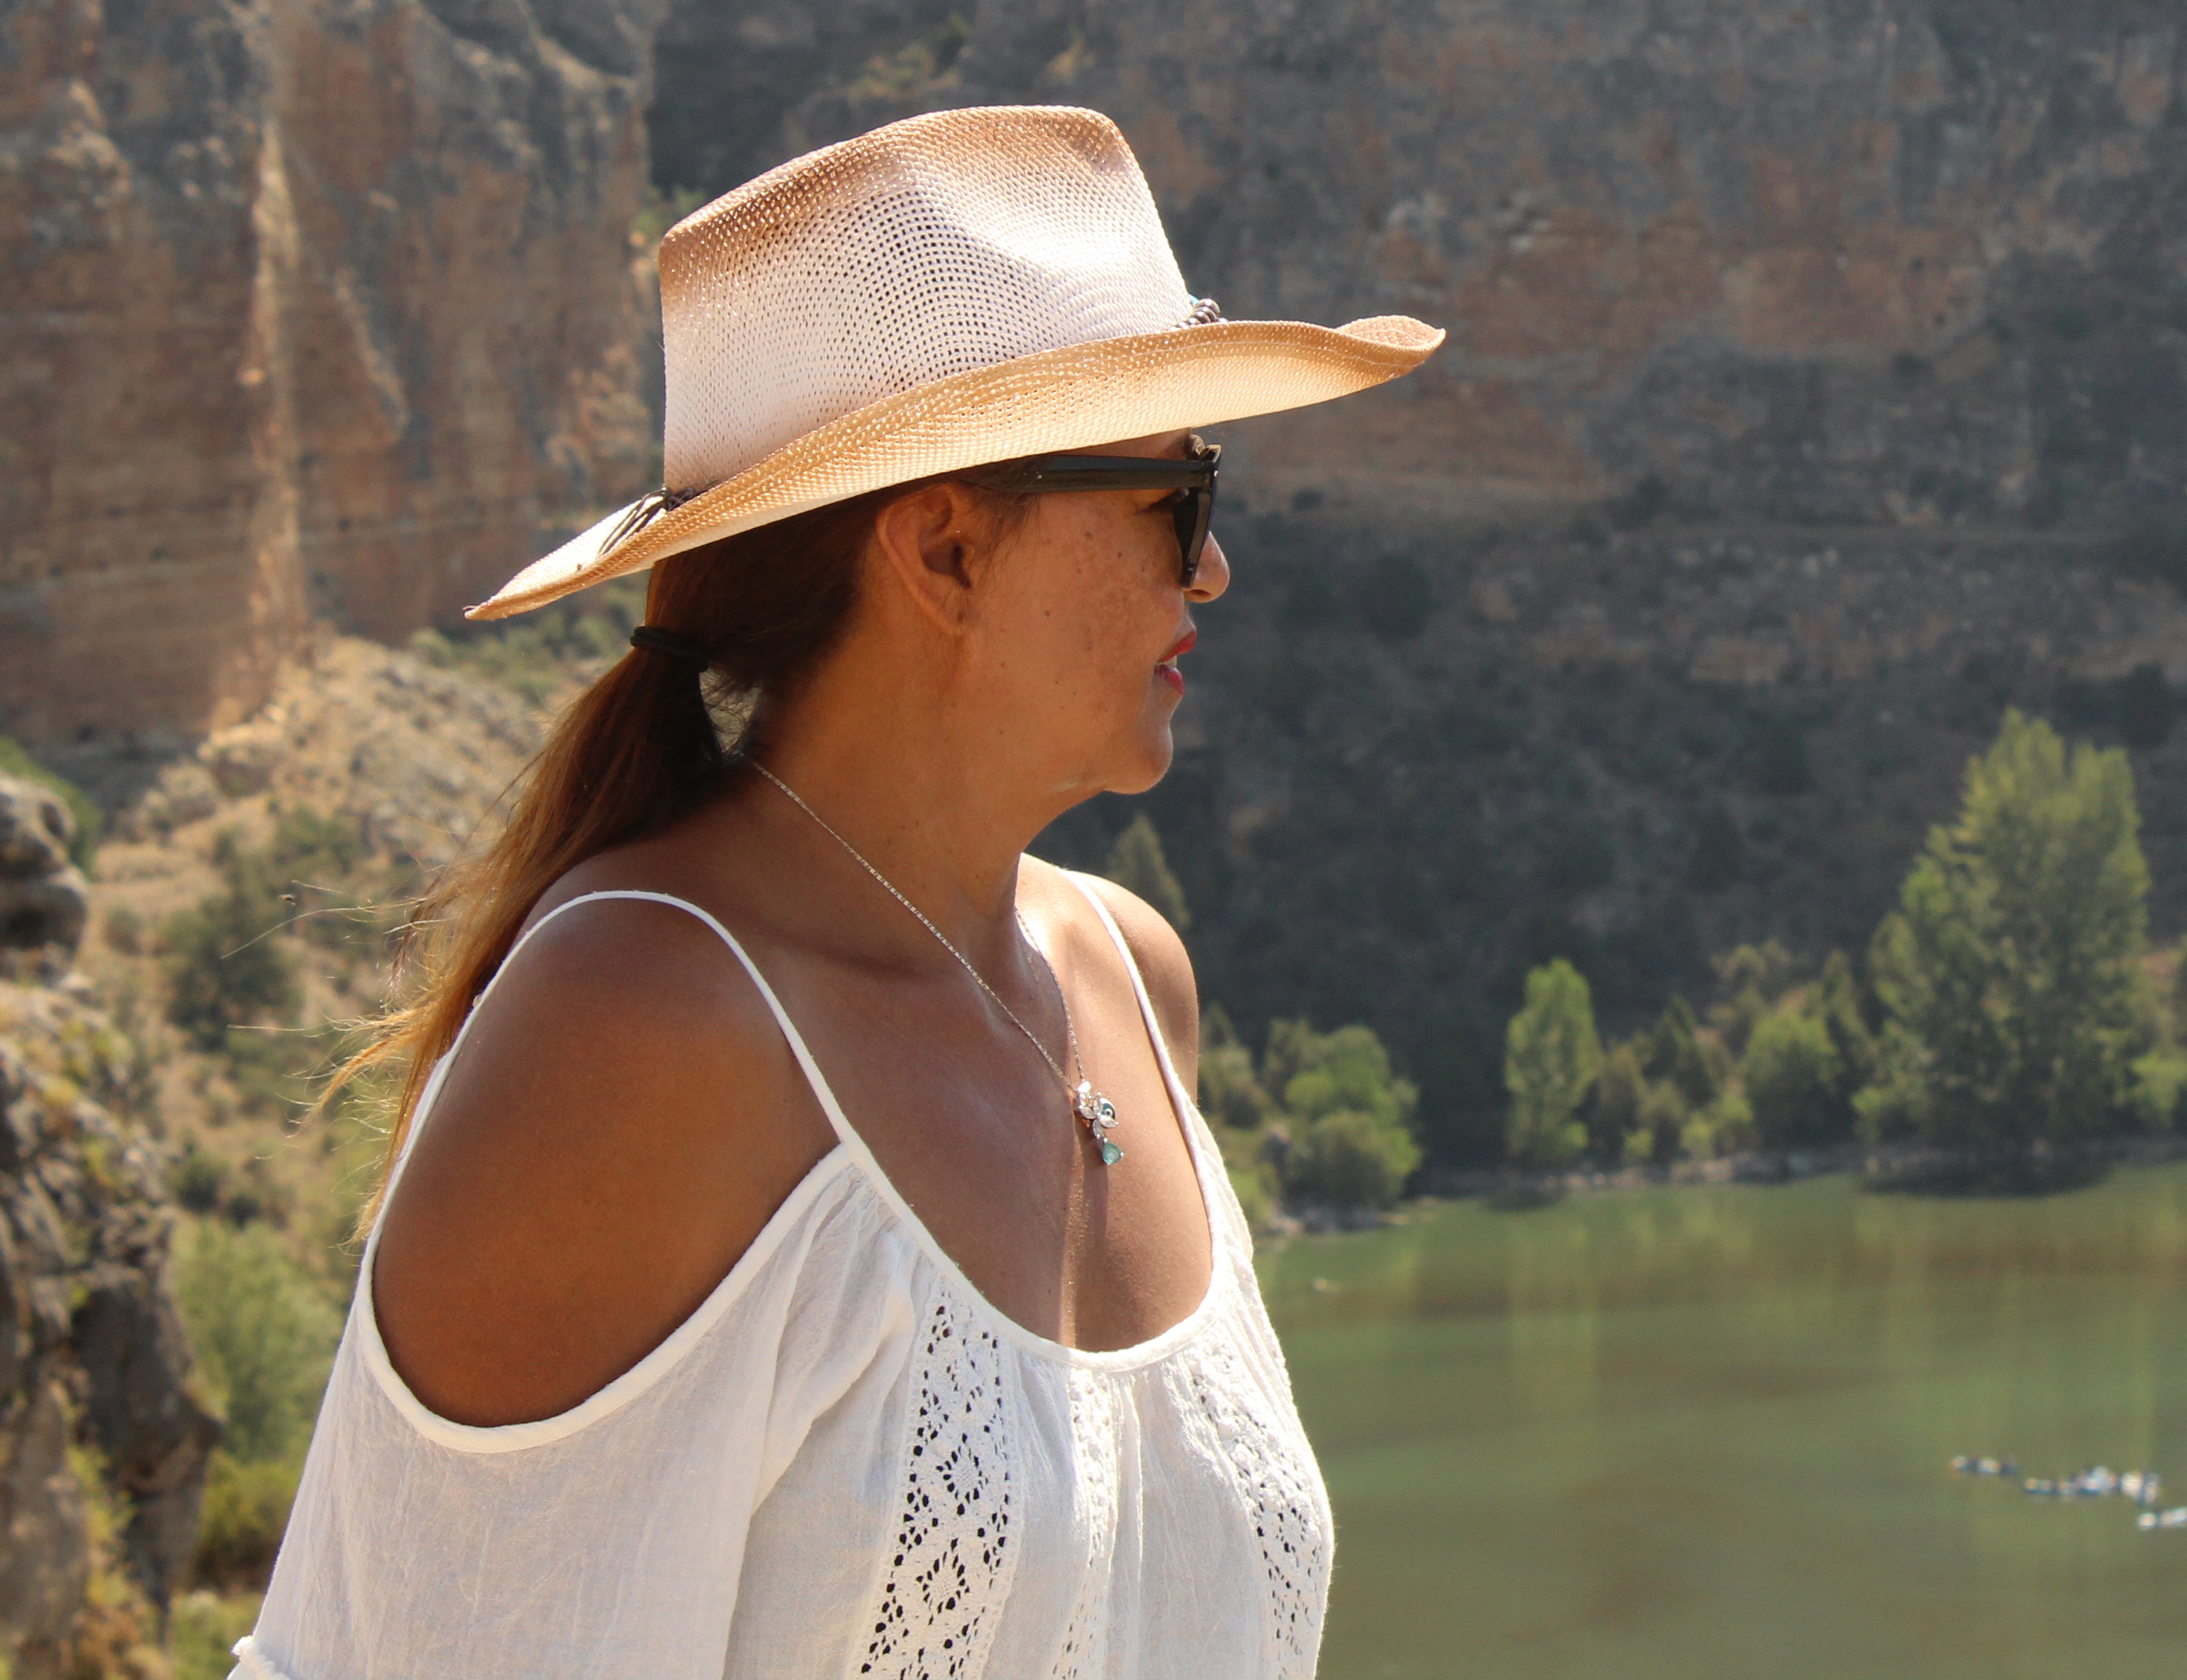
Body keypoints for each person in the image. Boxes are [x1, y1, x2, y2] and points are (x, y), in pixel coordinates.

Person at [236, 106, 1440, 1679]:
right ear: (942, 552)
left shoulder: (1130, 980)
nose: (1210, 570)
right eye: (1176, 497)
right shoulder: (638, 1034)